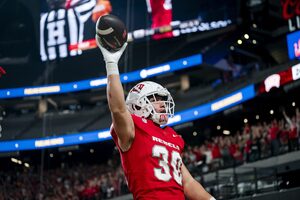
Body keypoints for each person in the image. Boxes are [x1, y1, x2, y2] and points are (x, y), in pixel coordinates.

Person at [96, 37, 215, 199]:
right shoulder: (132, 128)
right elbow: (117, 109)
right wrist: (111, 64)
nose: (162, 104)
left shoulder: (172, 135)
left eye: (162, 99)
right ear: (137, 105)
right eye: (155, 99)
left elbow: (188, 182)